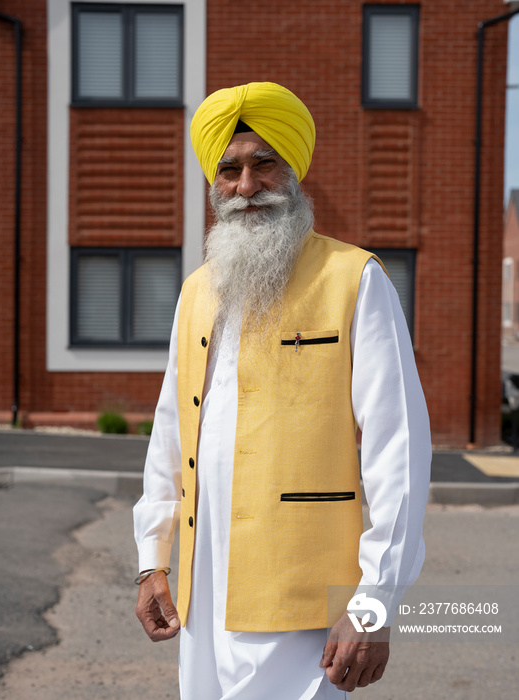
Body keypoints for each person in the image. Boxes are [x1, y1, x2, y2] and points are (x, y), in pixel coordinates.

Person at [133, 82, 431, 699]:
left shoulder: (355, 279)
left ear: (293, 170)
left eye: (264, 163)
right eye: (230, 169)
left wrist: (374, 604)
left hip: (304, 598)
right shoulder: (197, 291)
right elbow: (170, 431)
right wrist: (151, 559)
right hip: (202, 590)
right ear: (214, 183)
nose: (247, 186)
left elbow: (398, 454)